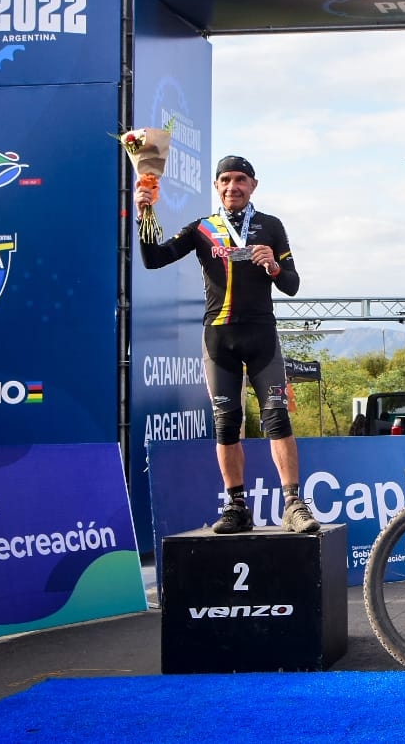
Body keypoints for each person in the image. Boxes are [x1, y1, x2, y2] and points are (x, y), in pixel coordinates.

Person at [136, 154, 319, 535]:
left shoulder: (270, 226)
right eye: (225, 180)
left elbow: (292, 284)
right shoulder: (202, 228)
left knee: (277, 418)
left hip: (261, 335)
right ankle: (237, 506)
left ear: (253, 185)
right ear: (216, 186)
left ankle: (293, 505)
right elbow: (154, 259)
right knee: (226, 424)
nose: (232, 186)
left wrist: (274, 267)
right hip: (219, 338)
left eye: (240, 180)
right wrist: (145, 215)